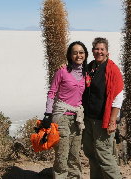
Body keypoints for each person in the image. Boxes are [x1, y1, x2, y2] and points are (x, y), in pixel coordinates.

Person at [43, 41, 89, 179]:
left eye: (81, 52)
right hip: (62, 116)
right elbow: (52, 93)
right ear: (69, 55)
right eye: (75, 52)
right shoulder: (62, 71)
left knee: (75, 154)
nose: (78, 55)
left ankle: (75, 177)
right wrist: (47, 113)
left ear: (85, 55)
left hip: (77, 118)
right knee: (62, 154)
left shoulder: (87, 74)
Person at [82, 37, 124, 179]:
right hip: (88, 119)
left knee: (104, 155)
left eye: (102, 49)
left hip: (102, 121)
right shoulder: (90, 67)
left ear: (107, 52)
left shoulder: (112, 69)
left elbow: (118, 97)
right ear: (93, 51)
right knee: (91, 153)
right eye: (97, 49)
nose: (99, 51)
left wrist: (112, 120)